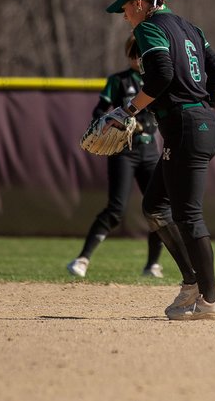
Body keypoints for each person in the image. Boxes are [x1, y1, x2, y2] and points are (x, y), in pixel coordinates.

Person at [104, 0, 215, 320]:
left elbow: (160, 77)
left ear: (140, 4)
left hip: (187, 126)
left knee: (188, 215)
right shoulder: (189, 26)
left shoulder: (147, 28)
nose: (125, 15)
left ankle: (210, 301)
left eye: (126, 7)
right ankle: (192, 282)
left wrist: (127, 110)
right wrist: (203, 105)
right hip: (199, 124)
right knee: (156, 206)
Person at [67, 36, 164, 279]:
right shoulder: (118, 80)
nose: (137, 59)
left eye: (141, 54)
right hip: (123, 152)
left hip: (150, 152)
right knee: (116, 209)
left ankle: (152, 265)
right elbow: (99, 110)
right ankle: (82, 259)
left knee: (158, 208)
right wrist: (117, 121)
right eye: (134, 54)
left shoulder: (156, 80)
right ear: (128, 55)